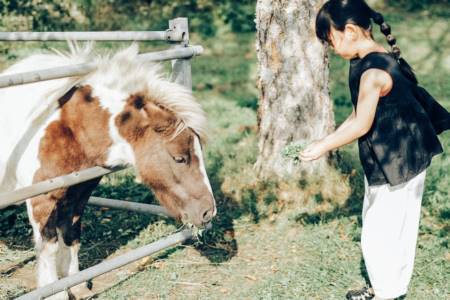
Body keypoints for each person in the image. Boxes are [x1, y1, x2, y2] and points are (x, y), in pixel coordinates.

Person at [298, 0, 450, 299]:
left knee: (377, 233)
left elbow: (362, 124)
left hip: (396, 161)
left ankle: (385, 293)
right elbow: (357, 115)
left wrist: (322, 147)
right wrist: (327, 139)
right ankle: (392, 288)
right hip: (409, 153)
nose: (330, 47)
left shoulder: (372, 72)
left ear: (350, 31)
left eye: (330, 40)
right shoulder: (377, 57)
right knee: (398, 226)